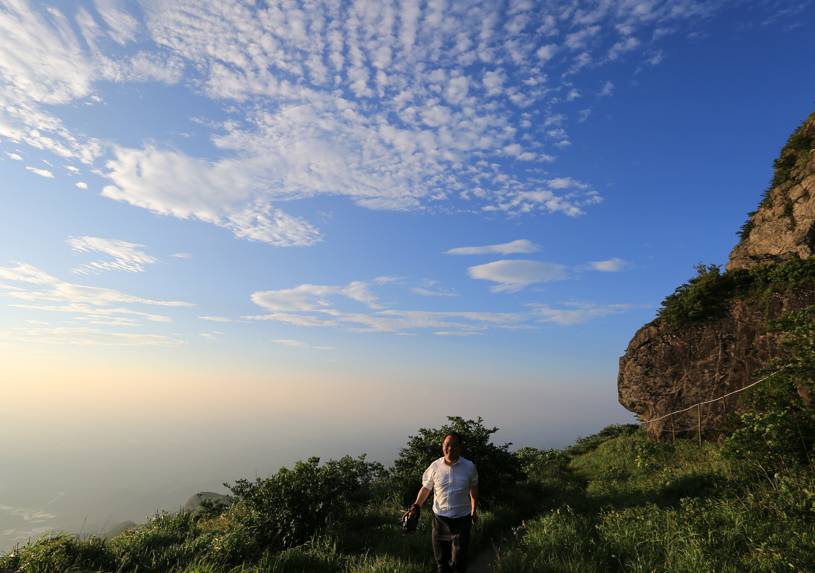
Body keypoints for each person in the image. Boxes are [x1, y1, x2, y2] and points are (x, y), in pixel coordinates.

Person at [409, 432, 479, 573]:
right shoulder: (435, 466)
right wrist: (415, 506)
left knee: (459, 563)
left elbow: (474, 489)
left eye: (454, 445)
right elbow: (426, 488)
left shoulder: (469, 467)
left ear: (460, 447)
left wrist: (474, 509)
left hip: (462, 520)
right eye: (447, 445)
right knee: (442, 564)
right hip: (440, 520)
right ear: (442, 446)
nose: (450, 448)